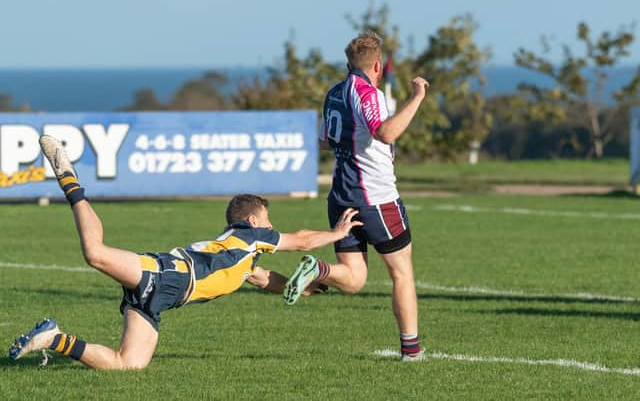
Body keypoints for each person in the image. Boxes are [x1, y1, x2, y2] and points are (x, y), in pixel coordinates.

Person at [8, 135, 362, 370]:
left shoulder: (240, 257)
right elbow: (300, 241)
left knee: (127, 364)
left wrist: (304, 287)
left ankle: (54, 338)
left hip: (161, 298)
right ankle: (68, 179)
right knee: (95, 254)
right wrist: (337, 233)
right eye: (267, 219)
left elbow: (263, 278)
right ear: (254, 220)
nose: (270, 226)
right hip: (165, 274)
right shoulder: (251, 236)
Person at [282, 31, 429, 361]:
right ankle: (412, 351)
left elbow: (324, 140)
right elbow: (385, 132)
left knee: (354, 279)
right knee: (402, 272)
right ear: (377, 65)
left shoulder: (334, 93)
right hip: (377, 198)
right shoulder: (369, 94)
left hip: (341, 197)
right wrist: (417, 97)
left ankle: (318, 270)